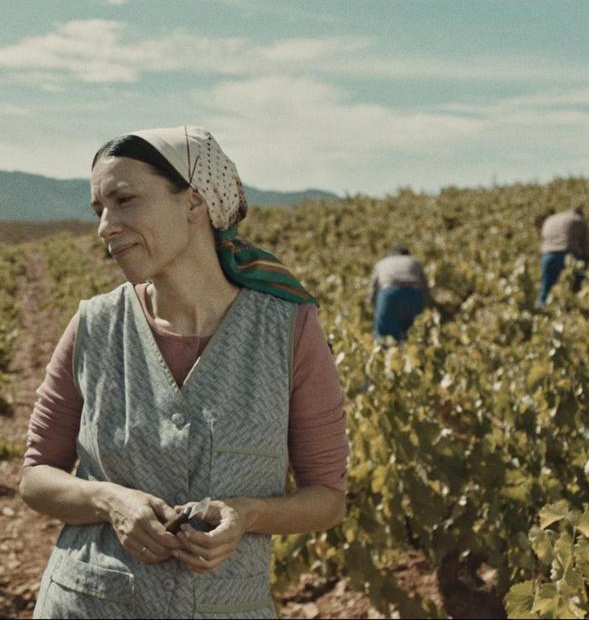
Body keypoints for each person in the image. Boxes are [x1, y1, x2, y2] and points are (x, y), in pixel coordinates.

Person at [20, 126, 348, 618]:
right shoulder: (95, 325)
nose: (106, 226)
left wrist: (249, 514)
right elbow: (35, 477)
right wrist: (109, 500)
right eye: (99, 210)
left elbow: (327, 497)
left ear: (194, 203)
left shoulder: (288, 330)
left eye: (125, 200)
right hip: (88, 605)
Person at [369, 245, 429, 342]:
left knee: (385, 338)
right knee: (415, 335)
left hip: (390, 295)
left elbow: (373, 288)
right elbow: (425, 286)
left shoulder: (382, 263)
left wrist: (374, 306)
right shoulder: (414, 261)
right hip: (414, 294)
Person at [537, 206, 589, 307]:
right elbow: (588, 245)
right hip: (571, 256)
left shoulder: (551, 219)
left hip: (548, 256)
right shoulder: (580, 220)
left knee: (545, 291)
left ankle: (541, 312)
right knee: (576, 290)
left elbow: (543, 238)